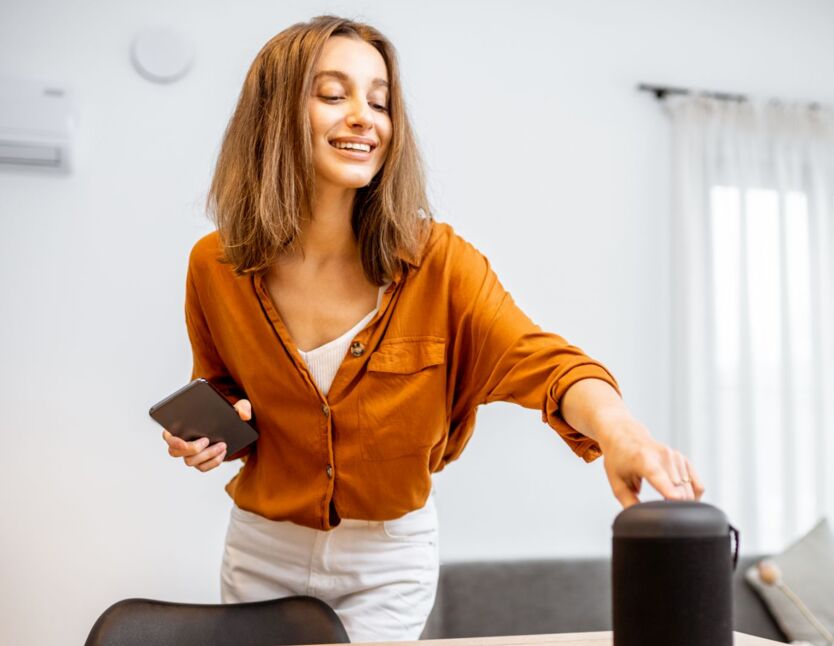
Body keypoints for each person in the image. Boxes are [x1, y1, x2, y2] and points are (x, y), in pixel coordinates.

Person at [161, 15, 703, 643]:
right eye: (334, 95)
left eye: (380, 100)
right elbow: (223, 388)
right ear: (273, 114)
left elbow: (547, 364)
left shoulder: (439, 263)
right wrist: (211, 434)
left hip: (386, 561)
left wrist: (621, 435)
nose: (365, 117)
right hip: (261, 549)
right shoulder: (215, 264)